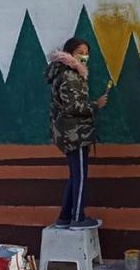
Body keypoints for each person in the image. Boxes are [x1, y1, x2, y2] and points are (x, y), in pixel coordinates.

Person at [45, 37, 108, 230]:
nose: (85, 56)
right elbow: (73, 106)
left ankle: (64, 217)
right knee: (80, 176)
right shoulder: (70, 75)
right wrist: (96, 105)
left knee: (74, 176)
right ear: (70, 52)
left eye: (87, 52)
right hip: (75, 134)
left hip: (68, 132)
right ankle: (78, 218)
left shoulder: (62, 72)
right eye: (81, 52)